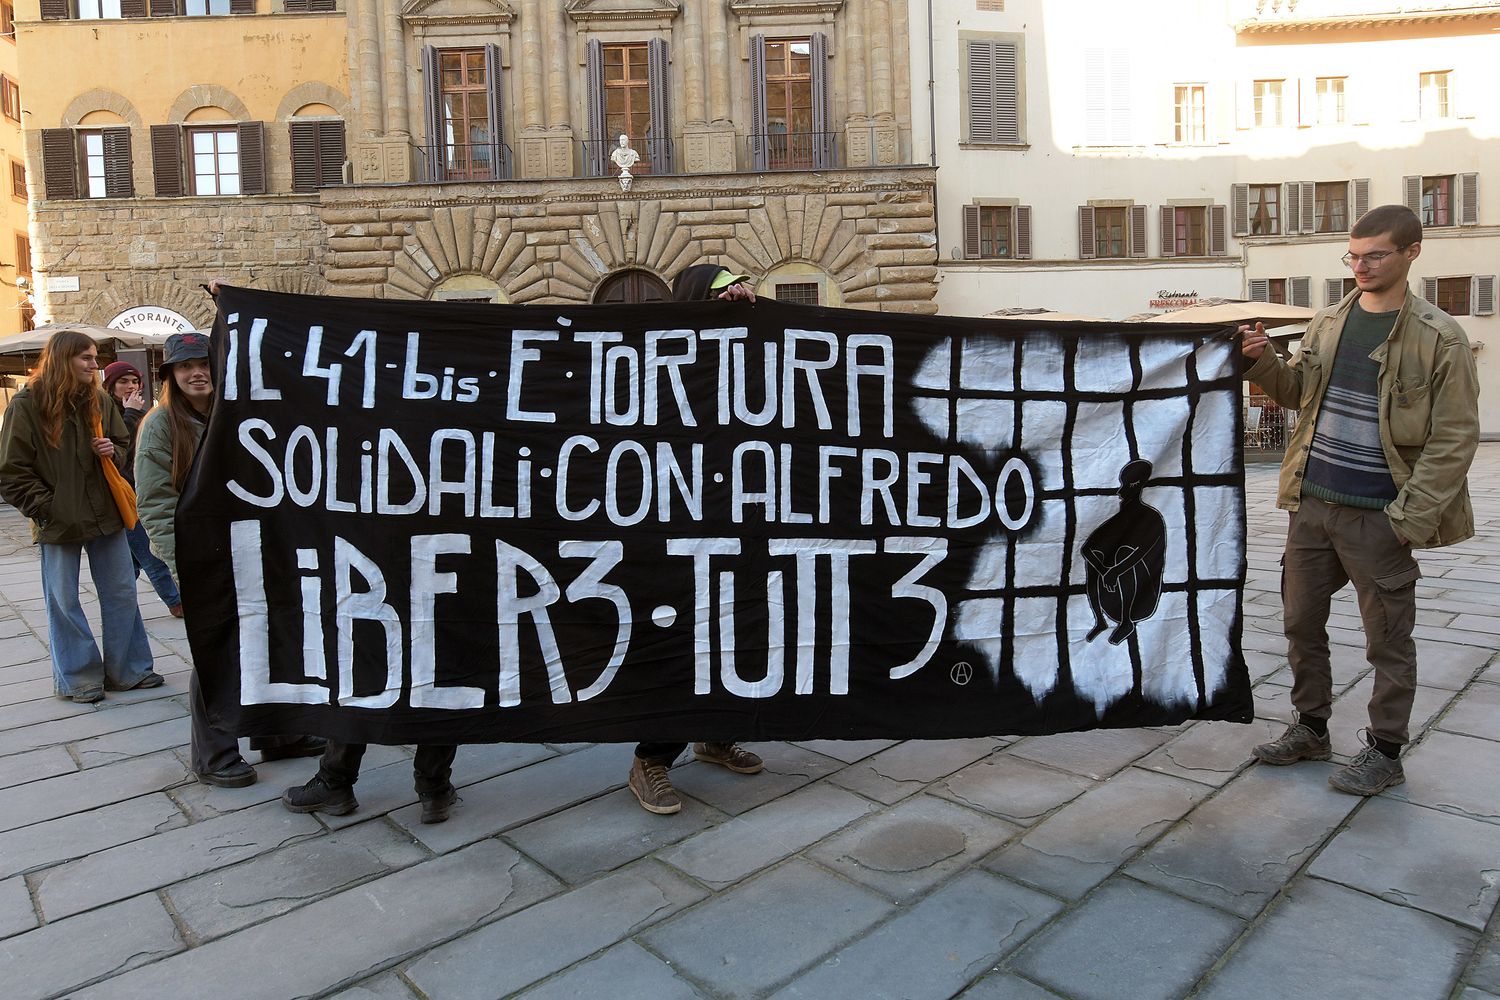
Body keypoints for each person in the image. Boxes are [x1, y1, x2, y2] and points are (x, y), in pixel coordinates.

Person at [1239, 204, 1479, 796]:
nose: (1361, 267)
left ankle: (1385, 751)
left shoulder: (1438, 336)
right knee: (1300, 625)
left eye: (1375, 255)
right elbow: (1297, 393)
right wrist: (1263, 360)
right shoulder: (1328, 322)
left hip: (1381, 516)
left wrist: (1409, 520)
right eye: (1353, 256)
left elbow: (1454, 438)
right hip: (1313, 506)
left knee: (1388, 640)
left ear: (1411, 253)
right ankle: (1312, 727)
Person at [135, 331, 324, 786]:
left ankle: (278, 735)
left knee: (271, 637)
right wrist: (184, 565)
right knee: (215, 651)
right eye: (185, 367)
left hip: (255, 547)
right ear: (171, 376)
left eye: (204, 363)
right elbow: (156, 503)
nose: (196, 372)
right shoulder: (161, 426)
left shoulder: (238, 414)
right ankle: (214, 752)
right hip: (203, 555)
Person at [627, 263, 765, 816]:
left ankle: (715, 732)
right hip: (676, 532)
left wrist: (755, 312)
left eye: (735, 291)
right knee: (685, 645)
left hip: (736, 525)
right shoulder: (659, 360)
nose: (732, 300)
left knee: (742, 635)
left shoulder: (744, 350)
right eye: (718, 295)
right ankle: (651, 760)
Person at [0, 331, 161, 702]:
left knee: (121, 591)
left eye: (94, 357)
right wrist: (47, 508)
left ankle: (130, 670)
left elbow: (123, 446)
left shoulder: (99, 400)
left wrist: (112, 450)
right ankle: (79, 677)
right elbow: (12, 471)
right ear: (62, 359)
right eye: (86, 358)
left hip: (106, 511)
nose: (95, 365)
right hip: (58, 519)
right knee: (64, 599)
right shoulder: (26, 405)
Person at [102, 361, 182, 618]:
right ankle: (176, 602)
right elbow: (119, 452)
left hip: (138, 490)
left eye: (134, 381)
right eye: (123, 381)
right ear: (111, 385)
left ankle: (119, 608)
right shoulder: (107, 410)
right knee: (150, 555)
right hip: (122, 494)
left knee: (131, 562)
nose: (130, 386)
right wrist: (132, 414)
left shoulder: (140, 411)